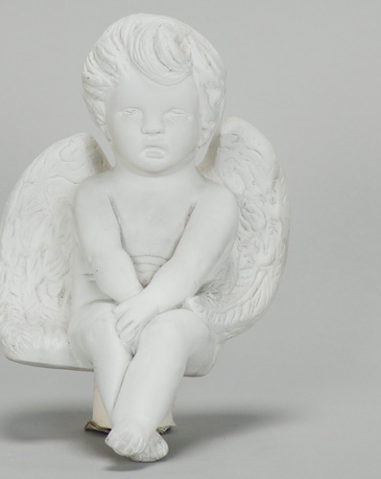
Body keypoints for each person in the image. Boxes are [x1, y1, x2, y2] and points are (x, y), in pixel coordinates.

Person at [68, 14, 239, 462]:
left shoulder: (214, 200)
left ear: (205, 121)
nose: (152, 127)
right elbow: (105, 257)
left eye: (174, 113)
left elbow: (190, 267)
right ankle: (133, 429)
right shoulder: (93, 192)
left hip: (183, 319)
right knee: (103, 325)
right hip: (108, 308)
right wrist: (131, 307)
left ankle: (134, 424)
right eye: (131, 112)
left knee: (168, 330)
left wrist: (147, 308)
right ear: (105, 119)